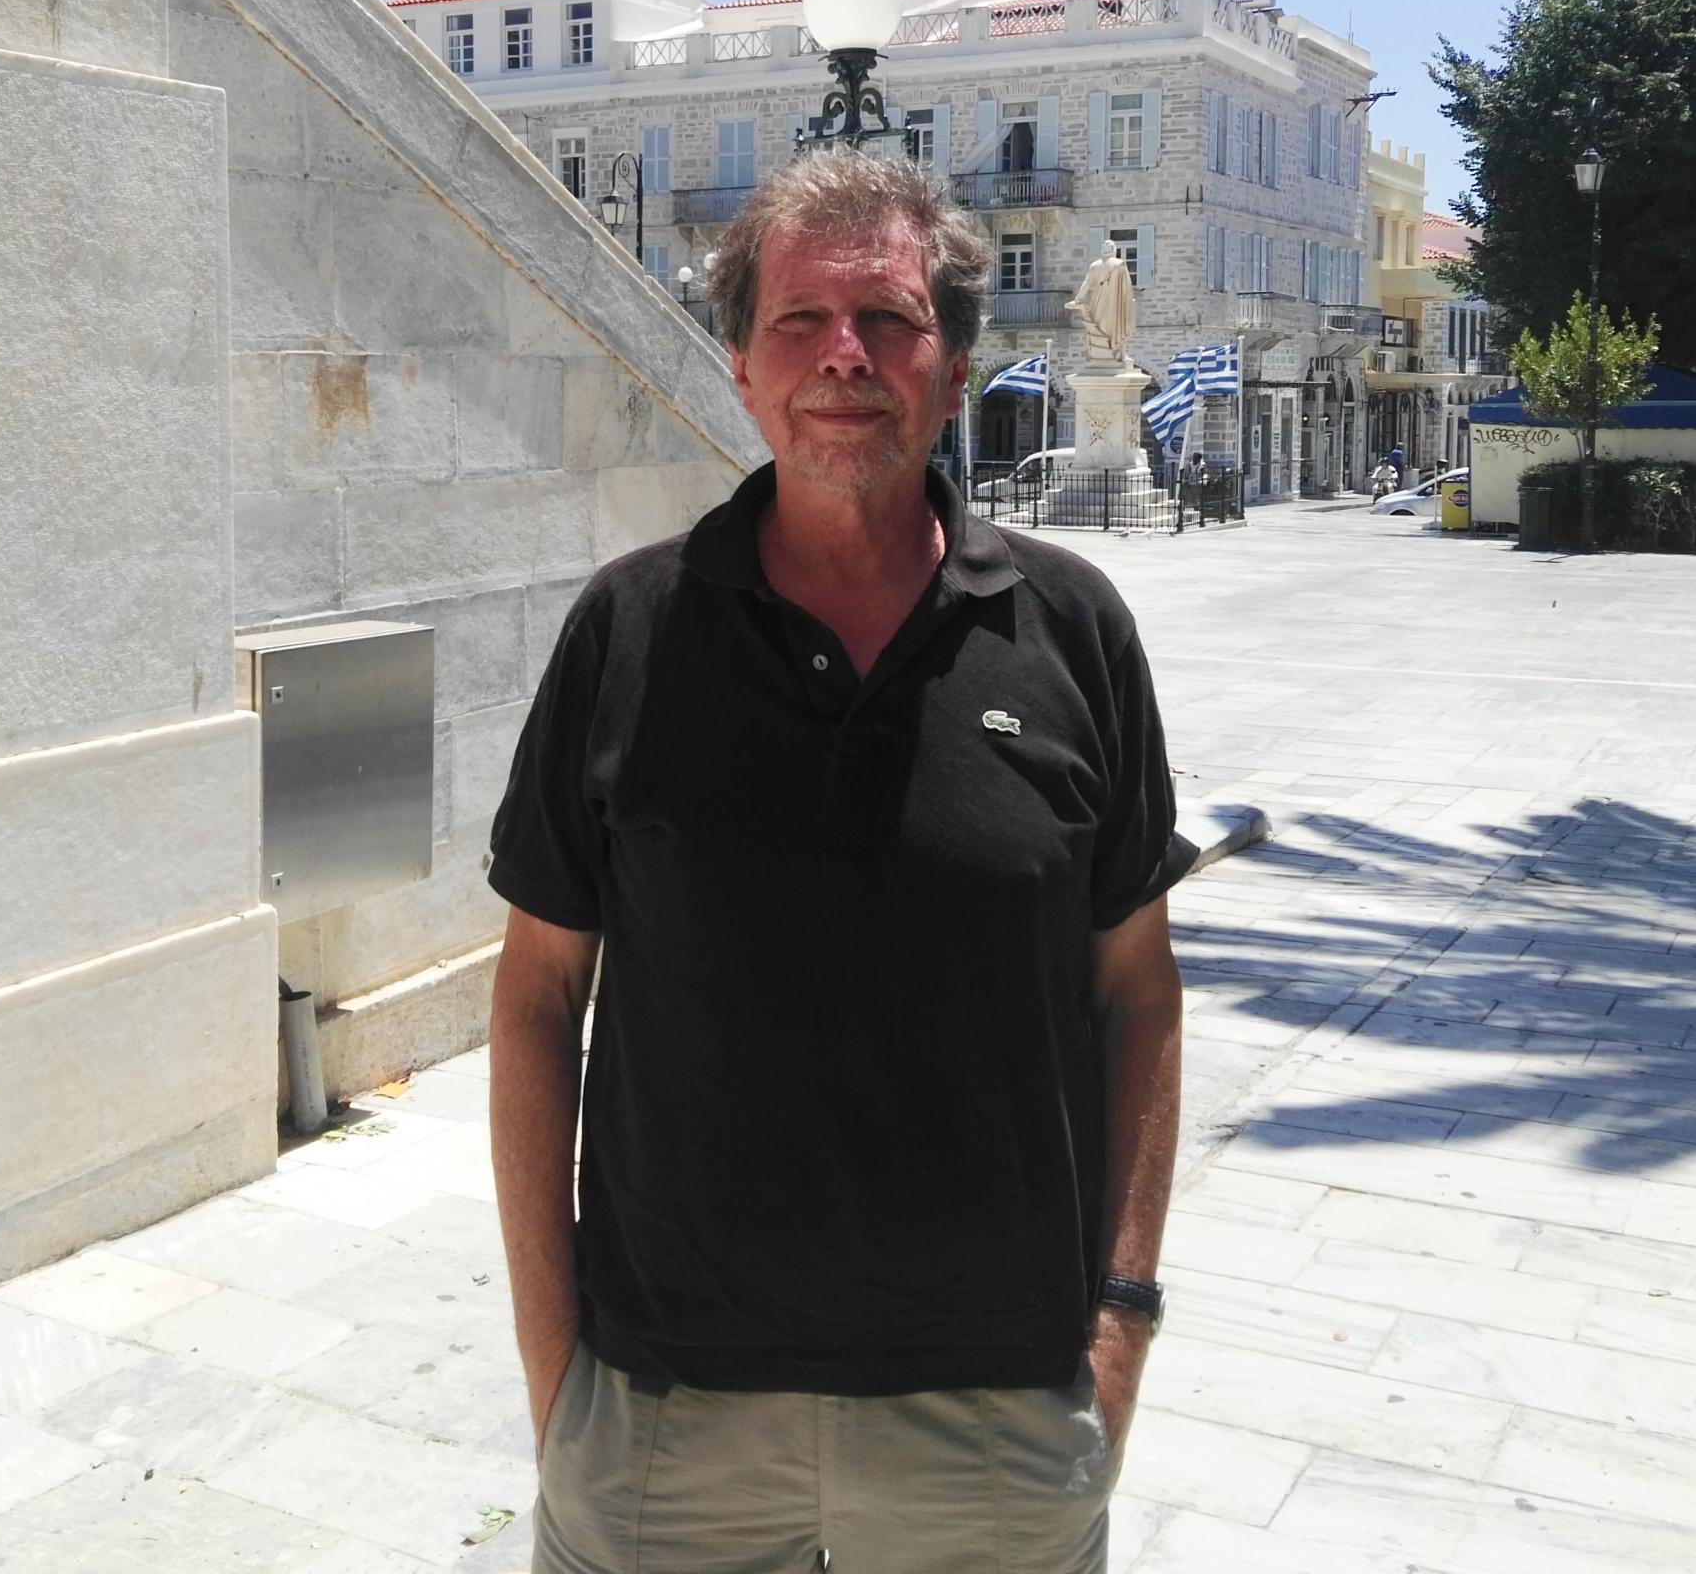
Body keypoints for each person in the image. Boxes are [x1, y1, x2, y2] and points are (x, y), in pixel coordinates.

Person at [488, 145, 1191, 1573]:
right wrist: (558, 1376)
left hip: (994, 1419)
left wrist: (1119, 1324)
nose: (844, 356)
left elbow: (1138, 990)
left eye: (888, 319)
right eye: (800, 320)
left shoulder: (1073, 631)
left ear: (954, 366)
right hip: (666, 1420)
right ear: (743, 369)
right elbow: (536, 997)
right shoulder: (629, 631)